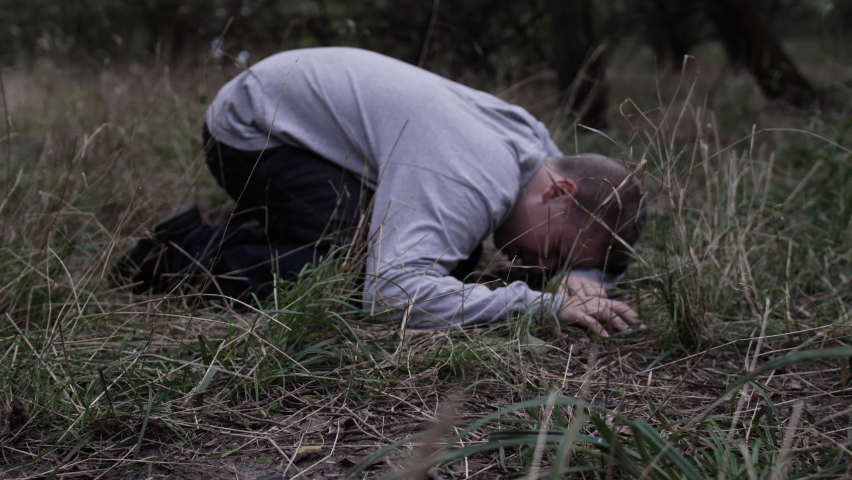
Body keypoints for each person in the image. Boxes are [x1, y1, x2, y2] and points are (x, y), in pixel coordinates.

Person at [115, 47, 646, 336]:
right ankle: (180, 255)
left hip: (298, 108)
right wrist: (537, 307)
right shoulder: (470, 176)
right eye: (555, 253)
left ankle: (266, 228)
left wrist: (583, 276)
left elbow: (596, 216)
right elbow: (390, 295)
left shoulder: (535, 148)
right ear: (558, 192)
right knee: (354, 273)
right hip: (253, 130)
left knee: (451, 262)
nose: (544, 269)